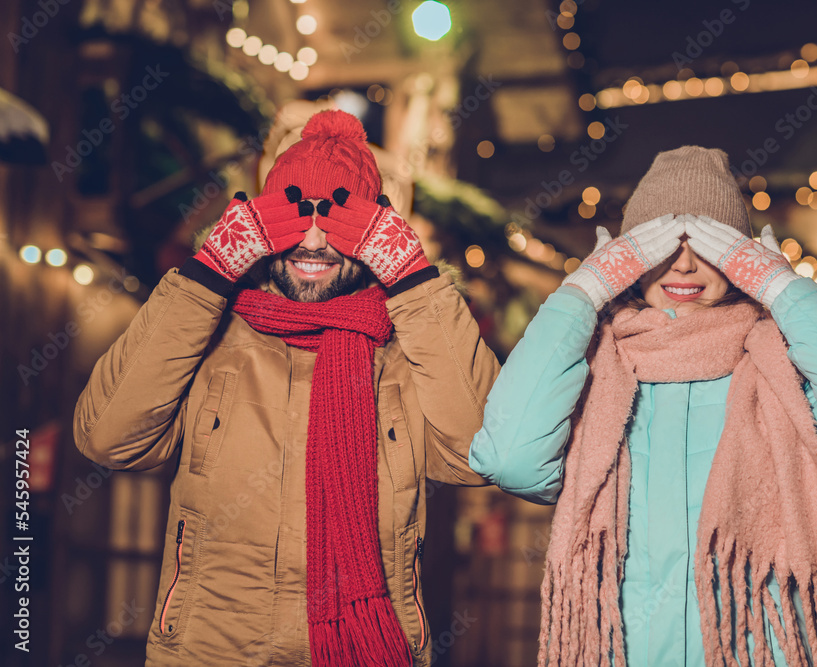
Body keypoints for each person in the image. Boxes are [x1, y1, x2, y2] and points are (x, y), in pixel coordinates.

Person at [468, 147, 817, 666]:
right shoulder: (597, 373)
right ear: (631, 259)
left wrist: (785, 291)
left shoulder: (779, 369)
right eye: (662, 244)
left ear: (738, 260)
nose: (684, 262)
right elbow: (509, 458)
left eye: (708, 244)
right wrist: (581, 293)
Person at [73, 110, 500, 666]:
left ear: (375, 233)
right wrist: (207, 273)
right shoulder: (209, 333)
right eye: (298, 211)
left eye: (341, 216)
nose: (316, 241)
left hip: (366, 651)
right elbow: (107, 437)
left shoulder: (406, 350)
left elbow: (484, 454)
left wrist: (415, 281)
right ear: (261, 219)